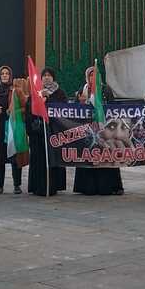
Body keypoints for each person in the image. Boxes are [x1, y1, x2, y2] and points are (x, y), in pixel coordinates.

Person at [74, 65, 124, 195]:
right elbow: (75, 110)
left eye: (95, 74)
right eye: (90, 75)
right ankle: (87, 187)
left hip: (104, 129)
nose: (93, 77)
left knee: (106, 156)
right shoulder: (83, 89)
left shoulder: (105, 89)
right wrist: (80, 102)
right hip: (88, 130)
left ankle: (110, 186)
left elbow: (113, 108)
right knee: (88, 156)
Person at [0, 66, 28, 195]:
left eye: (7, 73)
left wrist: (15, 111)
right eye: (2, 74)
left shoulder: (17, 91)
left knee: (15, 157)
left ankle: (17, 185)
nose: (5, 75)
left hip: (13, 128)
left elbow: (26, 108)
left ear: (10, 76)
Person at [27, 67, 68, 196]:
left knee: (53, 158)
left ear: (53, 77)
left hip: (54, 132)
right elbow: (29, 108)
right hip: (38, 133)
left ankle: (53, 186)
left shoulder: (60, 93)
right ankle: (38, 186)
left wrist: (48, 100)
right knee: (39, 159)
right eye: (44, 75)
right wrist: (40, 99)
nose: (46, 77)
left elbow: (64, 110)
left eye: (49, 75)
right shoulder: (35, 92)